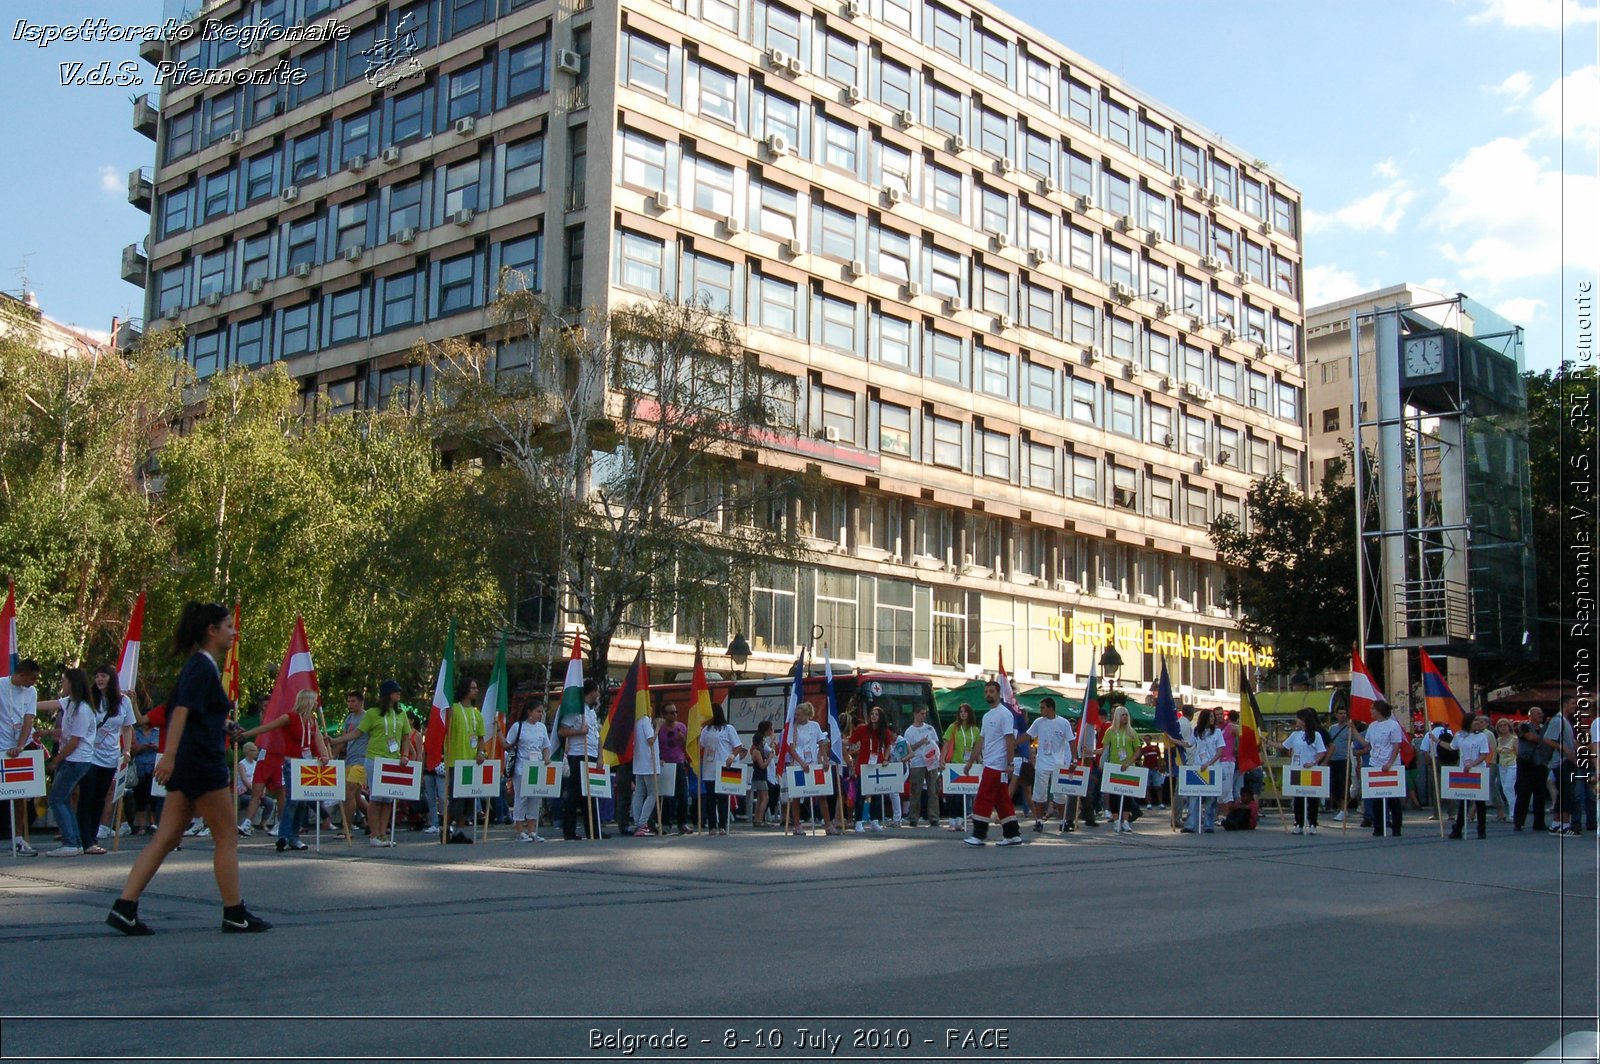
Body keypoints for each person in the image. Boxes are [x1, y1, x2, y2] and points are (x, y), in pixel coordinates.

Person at [107, 602, 270, 934]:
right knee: (227, 837)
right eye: (228, 626)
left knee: (165, 838)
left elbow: (195, 712)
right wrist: (167, 756)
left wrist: (222, 724)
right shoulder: (202, 666)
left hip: (188, 762)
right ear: (212, 631)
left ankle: (125, 906)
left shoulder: (198, 666)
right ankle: (234, 912)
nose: (233, 631)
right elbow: (179, 711)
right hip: (201, 763)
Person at [238, 688, 331, 852]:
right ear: (307, 701)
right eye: (314, 700)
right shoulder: (290, 717)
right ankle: (284, 835)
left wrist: (324, 756)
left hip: (308, 765)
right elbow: (267, 727)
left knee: (303, 801)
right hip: (292, 763)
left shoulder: (312, 721)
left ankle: (294, 837)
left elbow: (318, 742)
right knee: (293, 800)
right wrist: (246, 735)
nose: (317, 704)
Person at [40, 670, 97, 856]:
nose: (62, 684)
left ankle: (70, 842)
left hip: (76, 760)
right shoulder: (70, 703)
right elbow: (49, 705)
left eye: (64, 681)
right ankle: (76, 841)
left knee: (56, 799)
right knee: (63, 799)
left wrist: (56, 761)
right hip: (72, 760)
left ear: (73, 683)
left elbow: (74, 742)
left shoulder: (83, 709)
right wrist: (25, 705)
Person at [79, 665, 135, 850]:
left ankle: (92, 837)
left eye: (103, 676)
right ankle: (84, 837)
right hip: (89, 754)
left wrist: (127, 750)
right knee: (87, 795)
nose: (99, 679)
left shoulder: (123, 701)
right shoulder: (89, 698)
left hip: (111, 755)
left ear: (111, 679)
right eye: (96, 676)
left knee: (100, 798)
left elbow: (127, 727)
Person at [961, 680, 1022, 847]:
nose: (989, 694)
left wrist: (1010, 763)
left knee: (983, 797)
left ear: (998, 693)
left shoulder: (1005, 714)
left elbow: (1009, 739)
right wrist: (971, 762)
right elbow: (981, 741)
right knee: (1002, 800)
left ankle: (979, 834)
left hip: (997, 764)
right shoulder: (987, 716)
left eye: (992, 691)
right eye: (986, 691)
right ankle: (1012, 833)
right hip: (989, 762)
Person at [1, 659, 41, 855]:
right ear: (22, 674)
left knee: (20, 794)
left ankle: (19, 837)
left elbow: (29, 719)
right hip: (1, 746)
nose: (34, 682)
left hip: (19, 747)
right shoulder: (1, 685)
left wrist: (20, 745)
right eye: (33, 678)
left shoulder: (31, 692)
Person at [441, 678, 487, 843]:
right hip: (456, 761)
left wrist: (481, 752)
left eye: (476, 687)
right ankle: (445, 829)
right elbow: (443, 730)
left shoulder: (477, 713)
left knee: (467, 799)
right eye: (473, 688)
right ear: (465, 689)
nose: (476, 690)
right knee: (456, 799)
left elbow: (481, 738)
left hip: (471, 762)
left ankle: (459, 831)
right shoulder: (453, 710)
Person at [558, 679, 605, 841]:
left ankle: (594, 830)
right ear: (591, 692)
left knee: (591, 795)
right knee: (574, 794)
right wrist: (579, 732)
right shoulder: (575, 710)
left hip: (591, 754)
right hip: (578, 755)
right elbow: (562, 731)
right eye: (596, 691)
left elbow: (597, 736)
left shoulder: (591, 712)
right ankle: (569, 831)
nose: (598, 694)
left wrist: (600, 756)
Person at [1353, 700, 1406, 836]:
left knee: (1393, 798)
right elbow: (1366, 743)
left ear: (1379, 710)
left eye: (1372, 709)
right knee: (1376, 797)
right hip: (1375, 763)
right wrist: (1353, 731)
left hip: (1391, 765)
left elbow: (1396, 745)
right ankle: (1378, 826)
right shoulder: (1372, 726)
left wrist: (1390, 762)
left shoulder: (1393, 725)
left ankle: (1396, 827)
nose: (1371, 711)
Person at [785, 702, 836, 835]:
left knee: (821, 794)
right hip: (799, 765)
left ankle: (828, 825)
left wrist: (824, 759)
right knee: (797, 796)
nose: (796, 717)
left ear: (807, 715)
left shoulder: (815, 726)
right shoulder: (792, 728)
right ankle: (797, 825)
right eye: (795, 714)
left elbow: (821, 743)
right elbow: (791, 749)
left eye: (799, 714)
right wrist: (801, 763)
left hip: (813, 765)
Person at [1025, 696, 1074, 833]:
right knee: (1039, 794)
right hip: (1042, 763)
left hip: (1058, 763)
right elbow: (1028, 735)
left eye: (1043, 708)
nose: (1041, 710)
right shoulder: (1038, 722)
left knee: (1060, 795)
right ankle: (1039, 821)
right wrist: (1014, 743)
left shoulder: (1063, 723)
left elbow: (1071, 741)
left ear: (1050, 708)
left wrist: (1073, 760)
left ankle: (1062, 821)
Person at [505, 699, 551, 843]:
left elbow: (545, 746)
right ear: (529, 712)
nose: (539, 714)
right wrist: (499, 733)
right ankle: (519, 830)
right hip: (521, 767)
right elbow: (508, 744)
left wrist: (546, 759)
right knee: (521, 798)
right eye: (537, 711)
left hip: (536, 768)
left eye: (541, 712)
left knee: (534, 798)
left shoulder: (542, 727)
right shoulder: (518, 726)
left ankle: (532, 830)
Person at [697, 703, 746, 836]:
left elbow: (738, 746)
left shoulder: (728, 728)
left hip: (725, 767)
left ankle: (723, 825)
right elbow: (700, 746)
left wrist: (731, 756)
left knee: (723, 798)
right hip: (709, 768)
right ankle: (712, 826)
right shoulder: (705, 730)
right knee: (710, 798)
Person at [329, 690, 370, 839]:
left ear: (361, 702)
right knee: (357, 798)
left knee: (349, 793)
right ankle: (375, 821)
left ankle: (346, 828)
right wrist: (333, 755)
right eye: (349, 701)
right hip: (349, 760)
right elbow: (345, 738)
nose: (350, 704)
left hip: (362, 760)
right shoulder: (349, 719)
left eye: (353, 701)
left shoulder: (366, 718)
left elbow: (359, 735)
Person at [1281, 708, 1328, 835]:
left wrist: (1313, 762)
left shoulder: (1316, 735)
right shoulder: (1295, 735)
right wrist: (1267, 742)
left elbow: (1322, 751)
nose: (1296, 720)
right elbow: (1283, 746)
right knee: (1298, 797)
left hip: (1311, 770)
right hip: (1297, 769)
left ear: (1304, 720)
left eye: (1298, 718)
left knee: (1312, 797)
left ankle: (1313, 823)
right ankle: (1299, 823)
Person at [848, 705, 894, 832]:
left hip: (877, 765)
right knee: (861, 795)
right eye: (872, 714)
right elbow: (851, 741)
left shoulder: (884, 731)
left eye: (876, 714)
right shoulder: (862, 729)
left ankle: (875, 821)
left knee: (877, 795)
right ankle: (858, 822)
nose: (873, 716)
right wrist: (838, 741)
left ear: (881, 717)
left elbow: (888, 745)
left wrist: (885, 758)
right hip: (863, 766)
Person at [1446, 712, 1492, 840]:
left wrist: (1472, 763)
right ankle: (1458, 828)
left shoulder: (1482, 736)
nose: (1477, 722)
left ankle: (1481, 829)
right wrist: (1436, 741)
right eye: (1475, 720)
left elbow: (1483, 754)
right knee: (1463, 800)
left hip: (1477, 770)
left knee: (1480, 801)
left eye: (1479, 720)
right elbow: (1452, 747)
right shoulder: (1459, 735)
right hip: (1463, 770)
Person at [1182, 708, 1224, 834]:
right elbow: (1189, 744)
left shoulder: (1217, 732)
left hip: (1212, 767)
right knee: (1194, 797)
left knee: (1211, 798)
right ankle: (1191, 824)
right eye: (1210, 716)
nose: (1212, 718)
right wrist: (1174, 740)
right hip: (1198, 767)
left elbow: (1220, 751)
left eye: (1213, 717)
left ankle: (1208, 824)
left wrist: (1209, 763)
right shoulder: (1197, 732)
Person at [1543, 701, 1581, 836]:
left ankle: (1556, 824)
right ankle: (1564, 825)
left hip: (1565, 761)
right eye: (1572, 703)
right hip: (1562, 761)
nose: (1575, 706)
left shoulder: (1565, 721)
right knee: (1567, 793)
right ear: (1564, 705)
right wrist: (1564, 748)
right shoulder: (1558, 720)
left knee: (1561, 794)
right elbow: (1547, 739)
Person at [1102, 707, 1141, 834]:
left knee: (1127, 795)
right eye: (1123, 715)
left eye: (1126, 715)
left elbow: (1138, 750)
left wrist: (1129, 762)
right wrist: (1091, 752)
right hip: (1114, 767)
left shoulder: (1131, 732)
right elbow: (1104, 750)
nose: (1125, 717)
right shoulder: (1110, 731)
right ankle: (1115, 820)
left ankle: (1125, 821)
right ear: (1117, 716)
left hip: (1128, 767)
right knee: (1114, 795)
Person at [1512, 707, 1551, 833]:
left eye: (1541, 713)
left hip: (1540, 764)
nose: (1541, 715)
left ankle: (1539, 823)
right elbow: (1530, 737)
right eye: (1538, 713)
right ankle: (1518, 822)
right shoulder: (1524, 726)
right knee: (1524, 793)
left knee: (1540, 794)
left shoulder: (1544, 728)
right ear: (1531, 715)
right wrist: (1546, 740)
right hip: (1526, 763)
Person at [941, 703, 979, 830]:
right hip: (955, 764)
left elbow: (977, 748)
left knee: (965, 793)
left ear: (969, 713)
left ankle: (960, 821)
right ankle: (952, 821)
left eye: (965, 711)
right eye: (961, 711)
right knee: (954, 794)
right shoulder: (953, 727)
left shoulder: (975, 729)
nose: (963, 713)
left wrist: (980, 761)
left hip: (969, 765)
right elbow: (946, 744)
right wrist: (942, 760)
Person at [902, 706, 940, 827]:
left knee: (933, 790)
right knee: (915, 791)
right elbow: (909, 749)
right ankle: (913, 817)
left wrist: (931, 747)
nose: (924, 716)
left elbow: (936, 742)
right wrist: (921, 743)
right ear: (915, 714)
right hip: (917, 762)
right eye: (922, 714)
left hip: (931, 761)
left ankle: (933, 817)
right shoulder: (909, 731)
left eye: (925, 714)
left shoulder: (930, 728)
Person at [656, 705, 691, 835]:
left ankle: (682, 823)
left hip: (679, 763)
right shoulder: (659, 728)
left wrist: (683, 740)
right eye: (671, 712)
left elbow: (689, 746)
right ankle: (666, 823)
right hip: (665, 764)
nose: (675, 715)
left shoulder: (681, 727)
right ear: (664, 714)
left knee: (682, 795)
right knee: (666, 796)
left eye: (676, 712)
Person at [129, 713, 162, 835]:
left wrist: (155, 747)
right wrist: (141, 747)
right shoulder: (136, 732)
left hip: (154, 768)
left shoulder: (157, 732)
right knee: (140, 798)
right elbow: (132, 749)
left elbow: (163, 748)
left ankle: (154, 824)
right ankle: (141, 826)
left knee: (154, 798)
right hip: (140, 768)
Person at [630, 701, 659, 837]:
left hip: (639, 762)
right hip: (649, 762)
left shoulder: (636, 721)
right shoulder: (645, 720)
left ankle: (638, 823)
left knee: (639, 793)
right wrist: (658, 727)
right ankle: (642, 823)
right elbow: (651, 740)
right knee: (652, 793)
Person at [1325, 705, 1353, 821]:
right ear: (1336, 715)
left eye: (1344, 713)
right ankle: (1340, 808)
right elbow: (1328, 743)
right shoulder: (1332, 728)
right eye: (1340, 713)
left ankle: (1343, 809)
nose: (1342, 715)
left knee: (1344, 785)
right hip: (1333, 759)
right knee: (1334, 786)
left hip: (1344, 759)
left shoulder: (1350, 728)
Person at [748, 720, 774, 829]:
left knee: (760, 797)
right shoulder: (757, 752)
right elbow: (762, 765)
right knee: (765, 798)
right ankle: (759, 819)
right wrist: (769, 759)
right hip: (760, 776)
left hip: (759, 777)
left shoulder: (758, 751)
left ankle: (757, 819)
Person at [1491, 717, 1517, 822]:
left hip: (1512, 764)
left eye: (1505, 725)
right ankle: (1513, 810)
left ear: (1509, 727)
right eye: (1500, 726)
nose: (1503, 728)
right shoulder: (1499, 740)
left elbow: (1518, 753)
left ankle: (1513, 812)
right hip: (1502, 765)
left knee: (1508, 787)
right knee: (1506, 789)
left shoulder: (1514, 739)